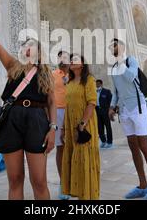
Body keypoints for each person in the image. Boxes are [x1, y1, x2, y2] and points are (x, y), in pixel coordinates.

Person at [0, 0, 57, 200]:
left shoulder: (46, 72)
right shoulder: (13, 66)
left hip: (37, 120)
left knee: (39, 181)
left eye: (32, 46)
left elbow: (51, 102)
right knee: (15, 179)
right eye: (25, 46)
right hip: (12, 120)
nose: (28, 49)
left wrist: (53, 129)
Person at [109, 39, 147, 200]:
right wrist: (112, 106)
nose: (114, 48)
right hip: (125, 110)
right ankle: (142, 184)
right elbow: (116, 90)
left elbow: (130, 77)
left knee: (144, 145)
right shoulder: (113, 68)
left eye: (116, 46)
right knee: (133, 146)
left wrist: (121, 63)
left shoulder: (130, 61)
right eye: (111, 47)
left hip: (137, 106)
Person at [61, 54, 100, 200]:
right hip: (71, 126)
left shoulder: (89, 80)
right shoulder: (70, 82)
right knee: (74, 159)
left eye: (75, 59)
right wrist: (64, 128)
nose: (72, 61)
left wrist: (82, 124)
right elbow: (67, 105)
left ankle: (89, 196)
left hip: (85, 124)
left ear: (82, 64)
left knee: (85, 158)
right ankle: (78, 193)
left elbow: (91, 103)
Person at [52, 50, 71, 200]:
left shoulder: (74, 74)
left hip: (73, 111)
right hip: (58, 112)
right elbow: (48, 95)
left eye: (64, 57)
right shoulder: (53, 75)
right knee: (61, 147)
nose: (62, 60)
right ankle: (63, 182)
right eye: (60, 57)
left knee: (75, 146)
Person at [96, 79, 113, 149]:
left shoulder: (107, 91)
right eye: (96, 84)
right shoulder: (94, 92)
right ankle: (103, 141)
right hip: (97, 111)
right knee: (99, 127)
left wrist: (111, 110)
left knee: (108, 127)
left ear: (101, 84)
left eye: (98, 84)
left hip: (105, 112)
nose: (97, 85)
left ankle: (109, 142)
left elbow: (111, 101)